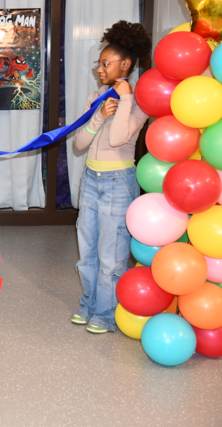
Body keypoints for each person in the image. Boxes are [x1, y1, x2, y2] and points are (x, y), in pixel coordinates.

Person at [71, 20, 152, 334]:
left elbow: (119, 139)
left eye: (106, 64)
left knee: (111, 257)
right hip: (91, 179)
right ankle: (88, 305)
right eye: (99, 63)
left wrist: (125, 99)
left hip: (118, 183)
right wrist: (97, 115)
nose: (100, 69)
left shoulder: (140, 103)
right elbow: (79, 143)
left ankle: (105, 314)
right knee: (86, 252)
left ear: (126, 64)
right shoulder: (97, 96)